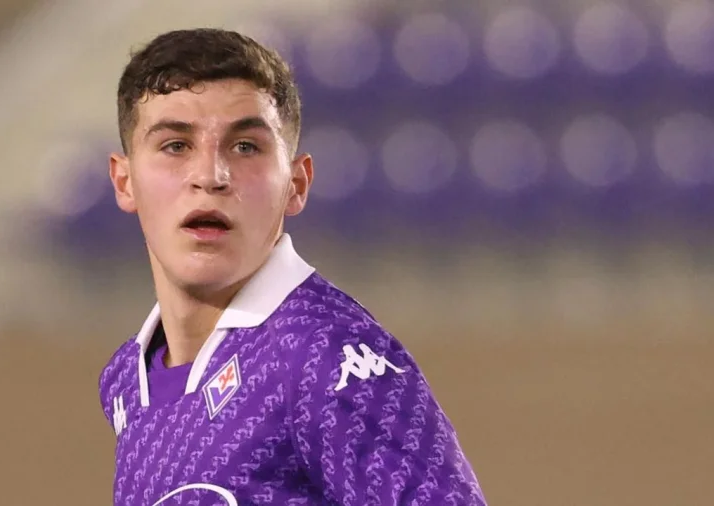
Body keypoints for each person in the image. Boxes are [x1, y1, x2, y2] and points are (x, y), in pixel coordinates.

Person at [99, 27, 487, 505]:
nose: (210, 176)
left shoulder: (327, 356)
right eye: (176, 145)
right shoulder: (125, 380)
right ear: (124, 181)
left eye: (245, 147)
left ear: (297, 184)